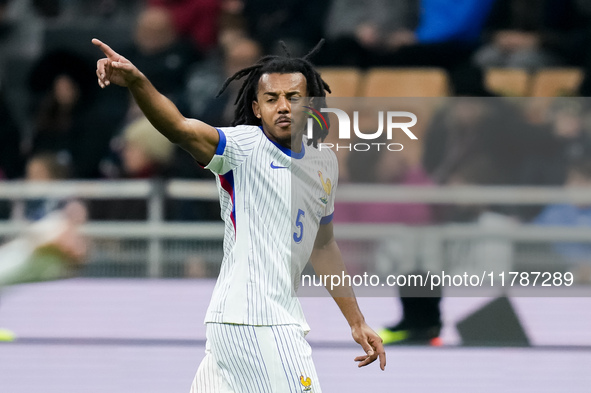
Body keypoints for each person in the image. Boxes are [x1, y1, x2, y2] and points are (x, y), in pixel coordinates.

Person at [92, 38, 386, 391]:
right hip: (256, 321)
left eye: (293, 98)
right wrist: (139, 82)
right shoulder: (243, 147)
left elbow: (323, 246)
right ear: (256, 108)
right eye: (271, 98)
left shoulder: (323, 163)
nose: (283, 107)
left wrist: (356, 321)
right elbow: (180, 128)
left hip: (246, 321)